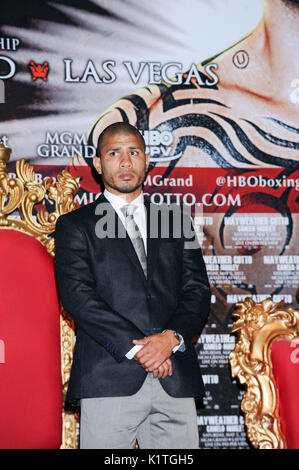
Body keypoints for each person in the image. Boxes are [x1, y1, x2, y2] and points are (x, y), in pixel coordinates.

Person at [55, 122, 211, 449]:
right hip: (110, 376)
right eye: (114, 153)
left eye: (133, 152)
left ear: (146, 159)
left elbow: (197, 291)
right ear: (97, 164)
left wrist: (169, 339)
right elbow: (78, 297)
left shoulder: (175, 219)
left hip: (174, 376)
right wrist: (142, 349)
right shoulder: (77, 225)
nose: (125, 162)